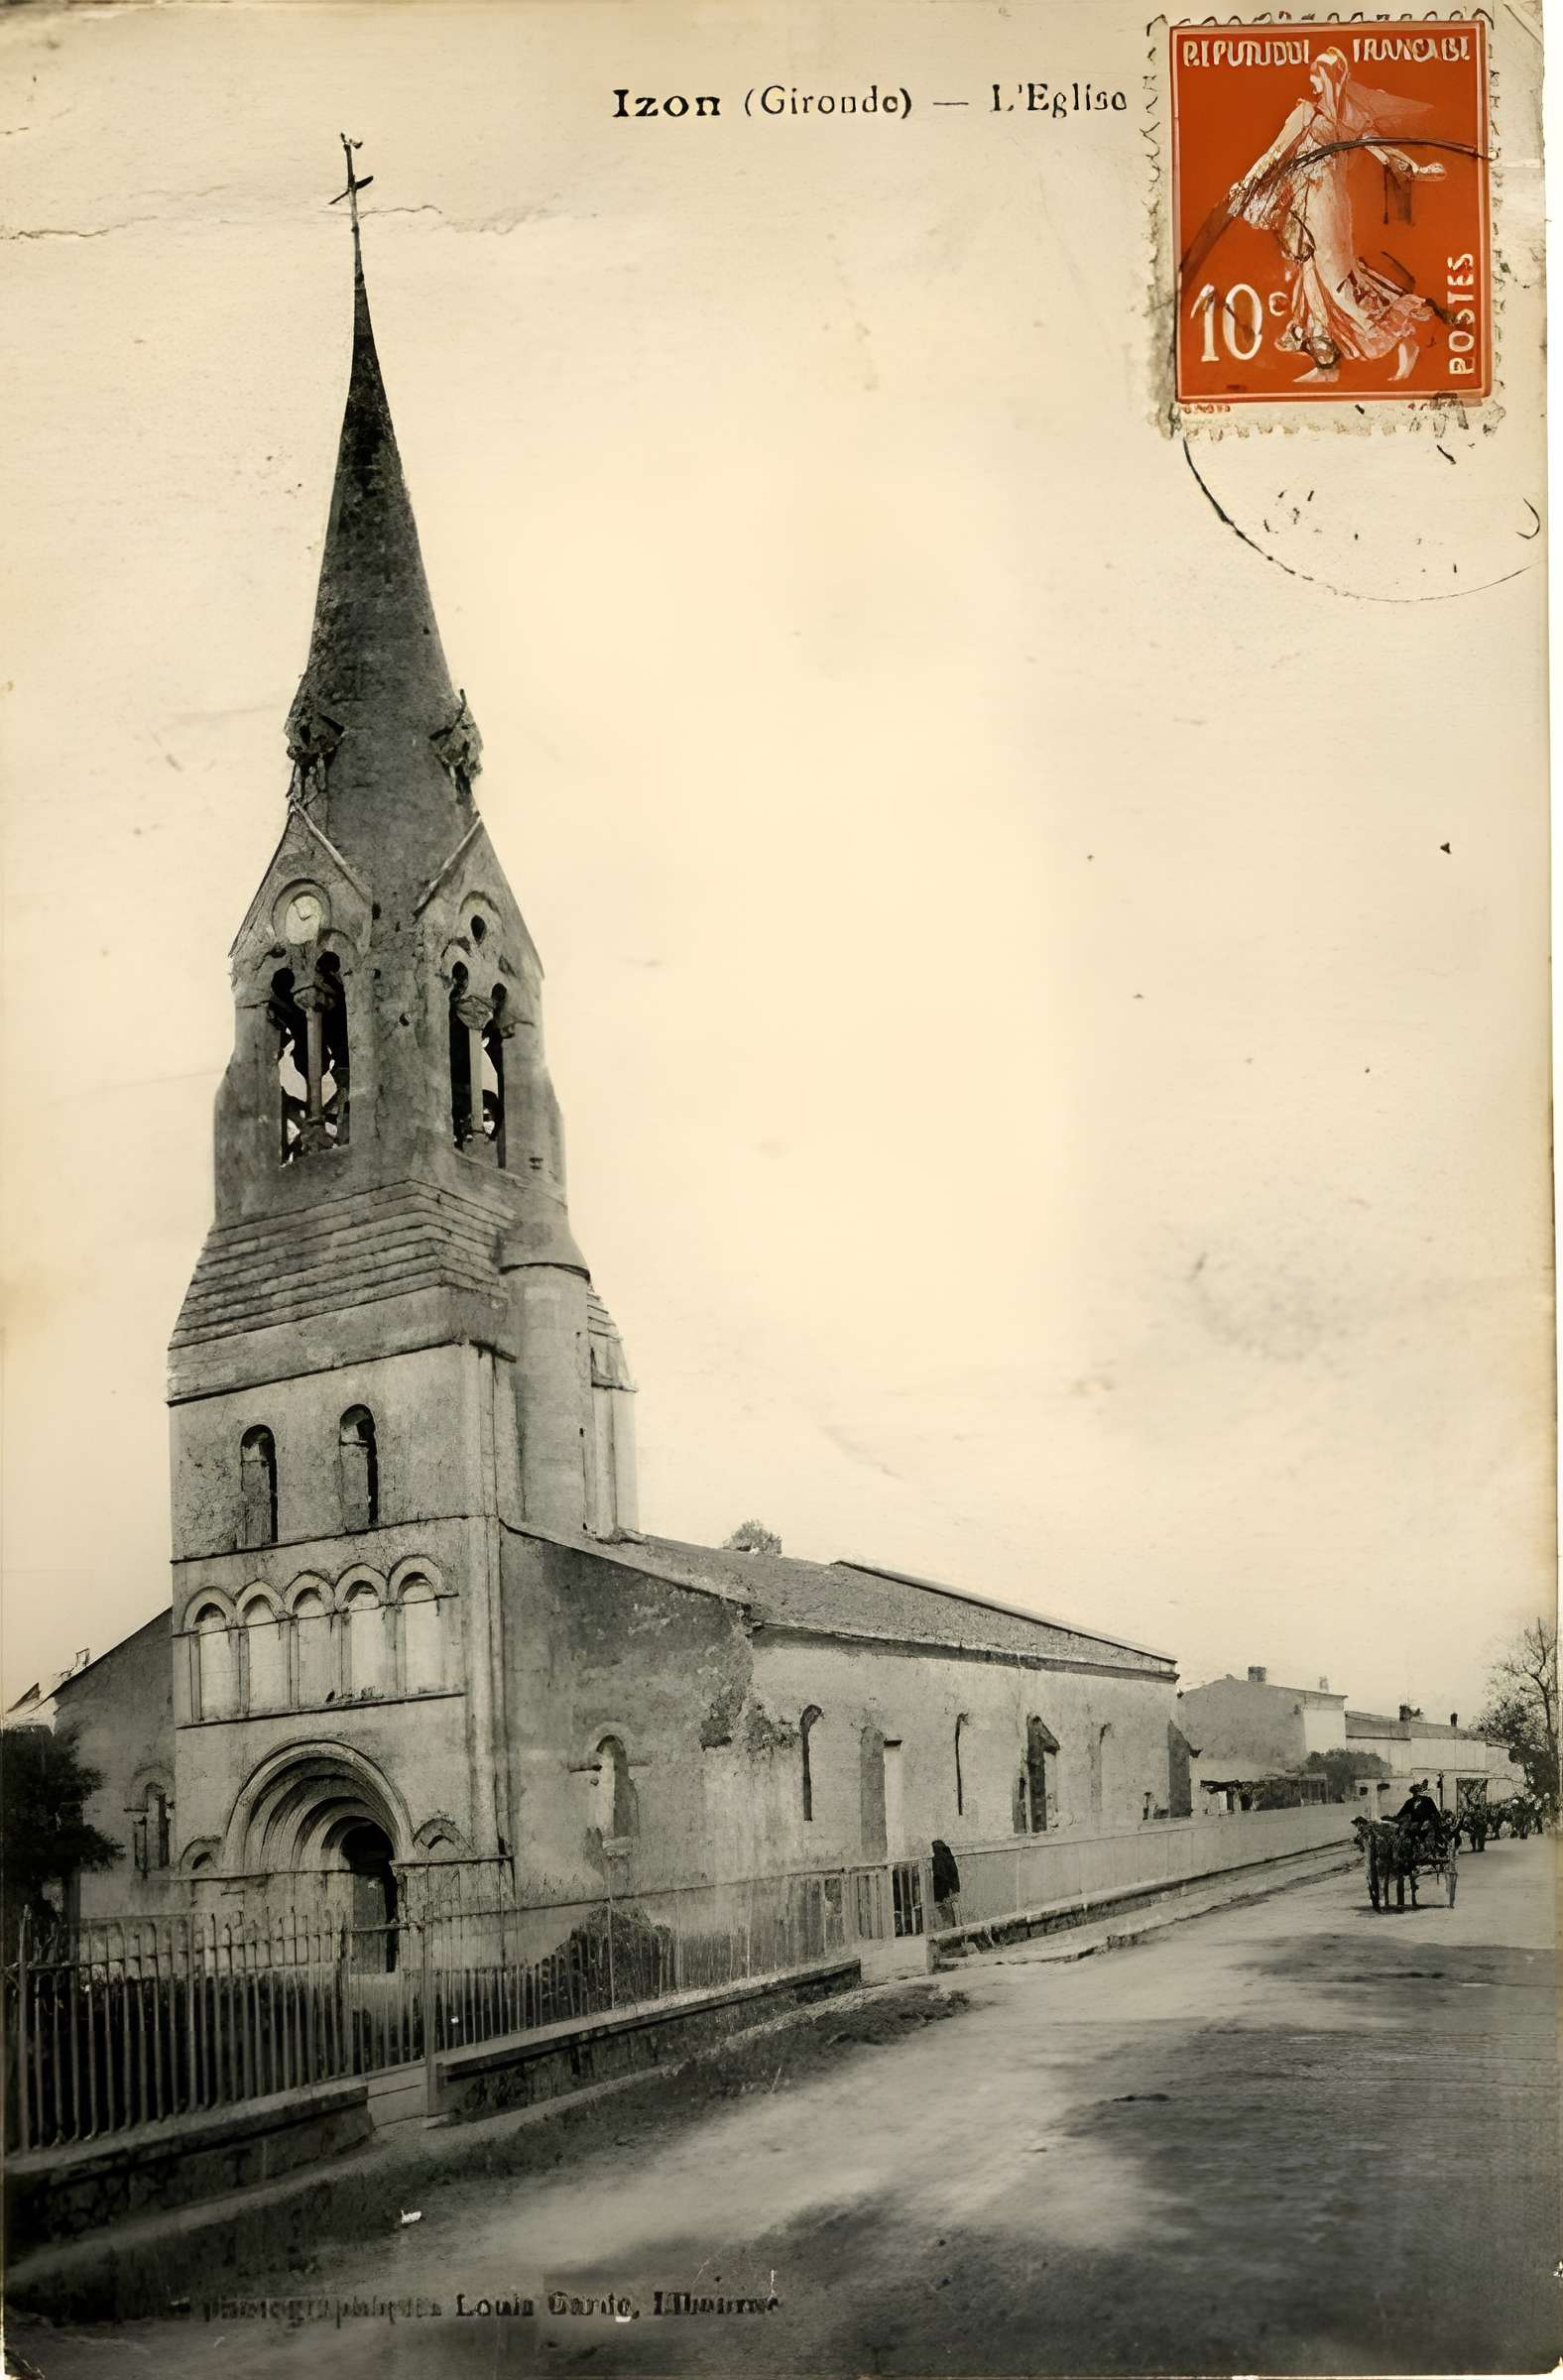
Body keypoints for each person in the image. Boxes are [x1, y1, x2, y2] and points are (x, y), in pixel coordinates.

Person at [1229, 48, 1445, 383]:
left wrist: (1417, 168)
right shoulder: (1314, 114)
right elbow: (1276, 154)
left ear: (1329, 78)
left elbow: (1383, 152)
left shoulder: (1334, 117)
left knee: (1336, 278)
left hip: (1325, 203)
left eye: (1317, 75)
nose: (1313, 82)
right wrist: (1246, 183)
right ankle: (1327, 363)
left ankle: (1405, 331)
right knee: (1313, 278)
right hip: (1310, 203)